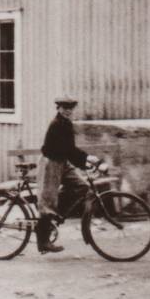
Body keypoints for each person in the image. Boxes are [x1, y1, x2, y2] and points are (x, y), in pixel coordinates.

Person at [35, 95, 99, 254]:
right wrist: (85, 158)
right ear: (58, 108)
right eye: (65, 108)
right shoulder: (57, 124)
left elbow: (68, 150)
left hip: (62, 162)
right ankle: (43, 240)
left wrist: (83, 161)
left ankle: (55, 216)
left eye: (70, 108)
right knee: (48, 202)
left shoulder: (66, 124)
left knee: (81, 187)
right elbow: (68, 150)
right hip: (51, 163)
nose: (68, 111)